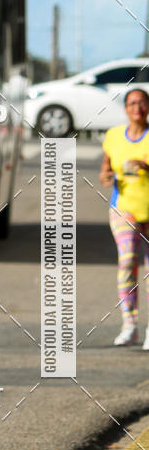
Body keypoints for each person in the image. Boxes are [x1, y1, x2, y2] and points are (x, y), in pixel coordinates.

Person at [100, 87, 149, 347]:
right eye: (132, 103)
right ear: (126, 108)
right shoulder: (114, 136)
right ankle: (129, 324)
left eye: (142, 103)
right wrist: (106, 176)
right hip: (123, 208)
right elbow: (105, 170)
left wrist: (146, 167)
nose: (137, 107)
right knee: (127, 261)